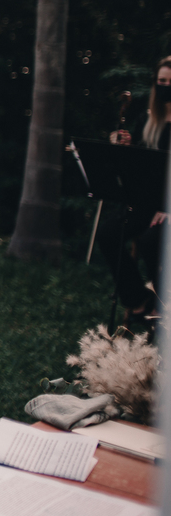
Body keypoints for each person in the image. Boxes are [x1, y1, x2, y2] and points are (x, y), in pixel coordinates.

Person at [106, 55, 170, 322]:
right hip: (146, 202)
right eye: (162, 81)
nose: (166, 86)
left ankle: (163, 304)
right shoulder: (148, 120)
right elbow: (139, 165)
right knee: (109, 233)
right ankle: (138, 299)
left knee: (149, 241)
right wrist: (124, 146)